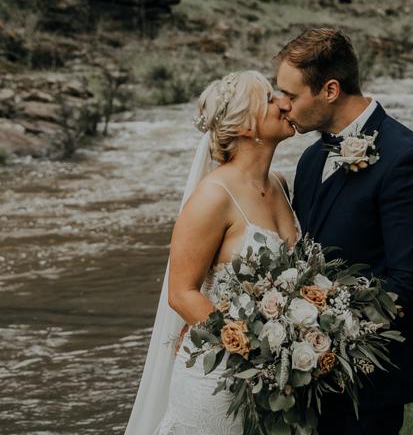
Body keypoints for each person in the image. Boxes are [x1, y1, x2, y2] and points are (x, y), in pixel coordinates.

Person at [275, 28, 413, 435]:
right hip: (309, 368)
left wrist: (322, 330)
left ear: (330, 89)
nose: (282, 106)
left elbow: (409, 282)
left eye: (291, 95)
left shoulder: (409, 160)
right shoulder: (311, 158)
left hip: (369, 375)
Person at [124, 71, 299, 434]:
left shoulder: (279, 184)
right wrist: (250, 347)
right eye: (270, 98)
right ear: (247, 125)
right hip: (217, 374)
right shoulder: (213, 195)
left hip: (275, 377)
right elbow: (181, 293)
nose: (284, 103)